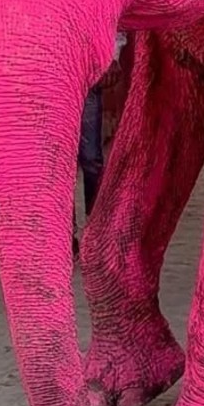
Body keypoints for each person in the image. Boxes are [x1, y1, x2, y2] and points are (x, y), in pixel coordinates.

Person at [74, 33, 126, 257]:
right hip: (55, 76)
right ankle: (67, 235)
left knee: (91, 158)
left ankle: (95, 231)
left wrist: (113, 55)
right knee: (62, 163)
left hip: (87, 75)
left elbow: (112, 22)